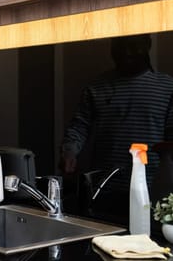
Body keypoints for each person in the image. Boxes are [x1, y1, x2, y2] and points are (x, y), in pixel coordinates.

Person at [60, 34, 173, 219]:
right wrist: (69, 153)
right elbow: (79, 126)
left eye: (133, 45)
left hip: (152, 190)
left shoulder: (168, 87)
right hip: (106, 188)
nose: (127, 52)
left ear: (147, 45)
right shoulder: (96, 87)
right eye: (120, 46)